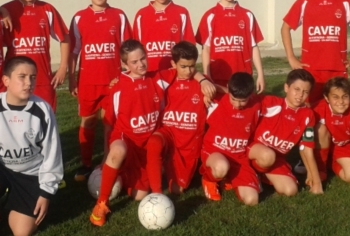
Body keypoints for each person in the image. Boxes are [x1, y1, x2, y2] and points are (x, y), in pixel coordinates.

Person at [0, 57, 64, 236]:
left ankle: (13, 199)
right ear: (6, 80)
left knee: (22, 232)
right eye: (22, 77)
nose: (29, 83)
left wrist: (46, 193)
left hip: (30, 173)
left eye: (33, 77)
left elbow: (52, 154)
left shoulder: (43, 110)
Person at [89, 40, 166, 226]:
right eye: (134, 62)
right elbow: (109, 124)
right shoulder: (118, 87)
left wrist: (203, 80)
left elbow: (185, 70)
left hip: (146, 147)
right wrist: (106, 155)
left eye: (143, 58)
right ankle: (102, 204)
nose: (141, 64)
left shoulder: (158, 79)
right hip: (126, 140)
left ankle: (121, 175)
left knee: (139, 196)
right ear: (124, 65)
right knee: (117, 152)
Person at [68, 0, 132, 182]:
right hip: (88, 82)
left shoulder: (119, 16)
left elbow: (127, 49)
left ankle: (107, 162)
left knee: (109, 123)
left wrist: (125, 75)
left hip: (113, 81)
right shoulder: (79, 18)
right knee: (87, 122)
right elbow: (74, 51)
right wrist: (72, 78)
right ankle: (86, 164)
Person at [2, 0, 70, 111]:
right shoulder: (6, 12)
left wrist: (63, 67)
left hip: (42, 81)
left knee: (44, 121)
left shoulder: (47, 9)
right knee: (15, 120)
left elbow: (65, 38)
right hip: (15, 82)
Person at [247, 69, 322, 197]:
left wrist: (317, 182)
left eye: (305, 92)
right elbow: (241, 97)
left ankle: (262, 175)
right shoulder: (269, 102)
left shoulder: (308, 115)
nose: (300, 95)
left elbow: (307, 149)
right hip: (253, 150)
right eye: (296, 89)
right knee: (267, 155)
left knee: (290, 190)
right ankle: (251, 173)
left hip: (276, 158)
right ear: (286, 88)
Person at [151, 41, 209, 195]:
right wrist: (119, 81)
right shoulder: (165, 79)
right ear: (173, 64)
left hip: (188, 143)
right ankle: (157, 194)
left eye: (192, 66)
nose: (188, 71)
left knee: (177, 190)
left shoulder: (202, 83)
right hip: (168, 134)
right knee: (154, 142)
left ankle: (165, 167)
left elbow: (225, 94)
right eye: (183, 67)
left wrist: (206, 83)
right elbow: (140, 80)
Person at [196, 0, 265, 94]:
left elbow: (254, 47)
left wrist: (260, 74)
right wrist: (207, 75)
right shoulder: (210, 16)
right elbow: (206, 49)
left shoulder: (247, 15)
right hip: (218, 76)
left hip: (242, 76)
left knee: (243, 105)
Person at [200, 72, 262, 205]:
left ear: (251, 94)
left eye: (243, 100)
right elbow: (195, 73)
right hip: (215, 152)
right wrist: (204, 83)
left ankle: (232, 178)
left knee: (252, 200)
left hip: (239, 157)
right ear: (228, 88)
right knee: (221, 167)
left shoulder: (256, 105)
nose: (238, 104)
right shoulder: (215, 100)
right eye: (234, 99)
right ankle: (209, 179)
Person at [133, 0, 196, 76]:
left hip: (175, 74)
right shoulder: (141, 15)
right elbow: (134, 50)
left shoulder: (181, 13)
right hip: (149, 75)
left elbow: (189, 46)